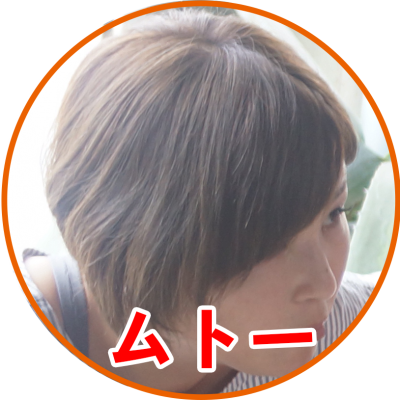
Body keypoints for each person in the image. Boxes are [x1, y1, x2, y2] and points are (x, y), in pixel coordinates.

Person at [22, 9, 375, 394]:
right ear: (146, 240)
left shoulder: (340, 318)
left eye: (333, 214)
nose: (326, 283)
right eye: (270, 243)